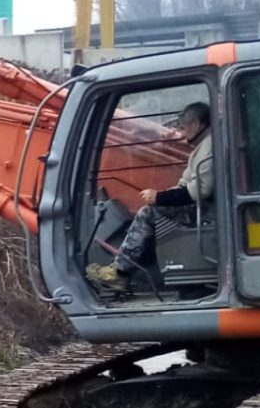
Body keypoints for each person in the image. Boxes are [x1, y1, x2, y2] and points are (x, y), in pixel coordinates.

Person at [87, 101, 213, 293]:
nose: (181, 132)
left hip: (207, 211)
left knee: (148, 212)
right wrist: (164, 195)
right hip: (204, 207)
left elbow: (200, 190)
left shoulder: (209, 148)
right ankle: (128, 268)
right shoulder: (204, 147)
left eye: (184, 127)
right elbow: (187, 185)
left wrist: (160, 198)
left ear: (196, 124)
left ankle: (120, 273)